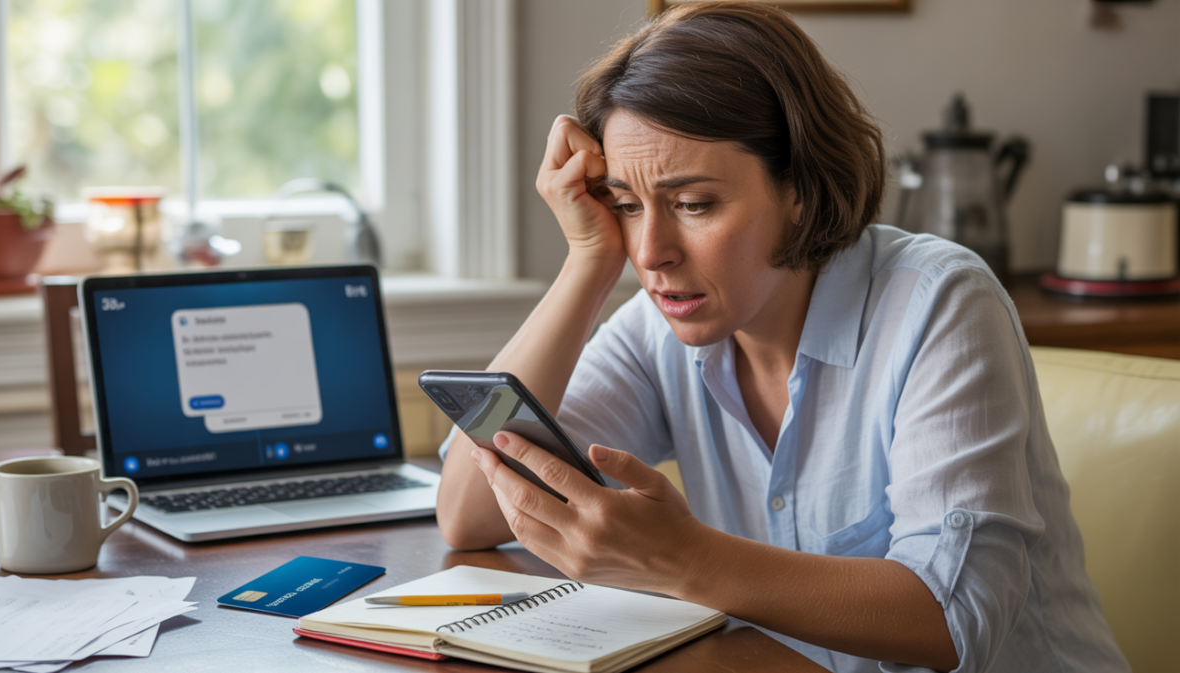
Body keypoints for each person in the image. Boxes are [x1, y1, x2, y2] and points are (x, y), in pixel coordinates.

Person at [435, 3, 1129, 672]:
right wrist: (588, 262)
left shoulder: (937, 302)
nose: (651, 251)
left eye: (694, 204)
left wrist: (685, 558)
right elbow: (467, 512)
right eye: (625, 204)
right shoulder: (659, 328)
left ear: (798, 184)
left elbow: (954, 620)